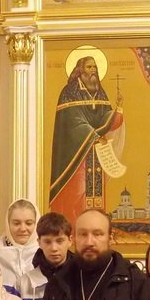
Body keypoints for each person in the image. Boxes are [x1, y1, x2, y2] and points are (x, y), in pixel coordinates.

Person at [48, 55, 124, 224]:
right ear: (80, 70)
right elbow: (72, 121)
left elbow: (105, 118)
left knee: (94, 196)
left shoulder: (99, 91)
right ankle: (72, 228)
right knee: (77, 192)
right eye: (89, 67)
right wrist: (93, 135)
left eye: (95, 67)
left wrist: (117, 111)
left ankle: (95, 227)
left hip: (96, 155)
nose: (93, 71)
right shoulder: (69, 92)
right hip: (74, 156)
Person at [0, 199, 40, 289]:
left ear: (36, 223)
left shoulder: (45, 252)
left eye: (29, 223)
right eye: (16, 223)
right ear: (8, 223)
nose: (23, 229)